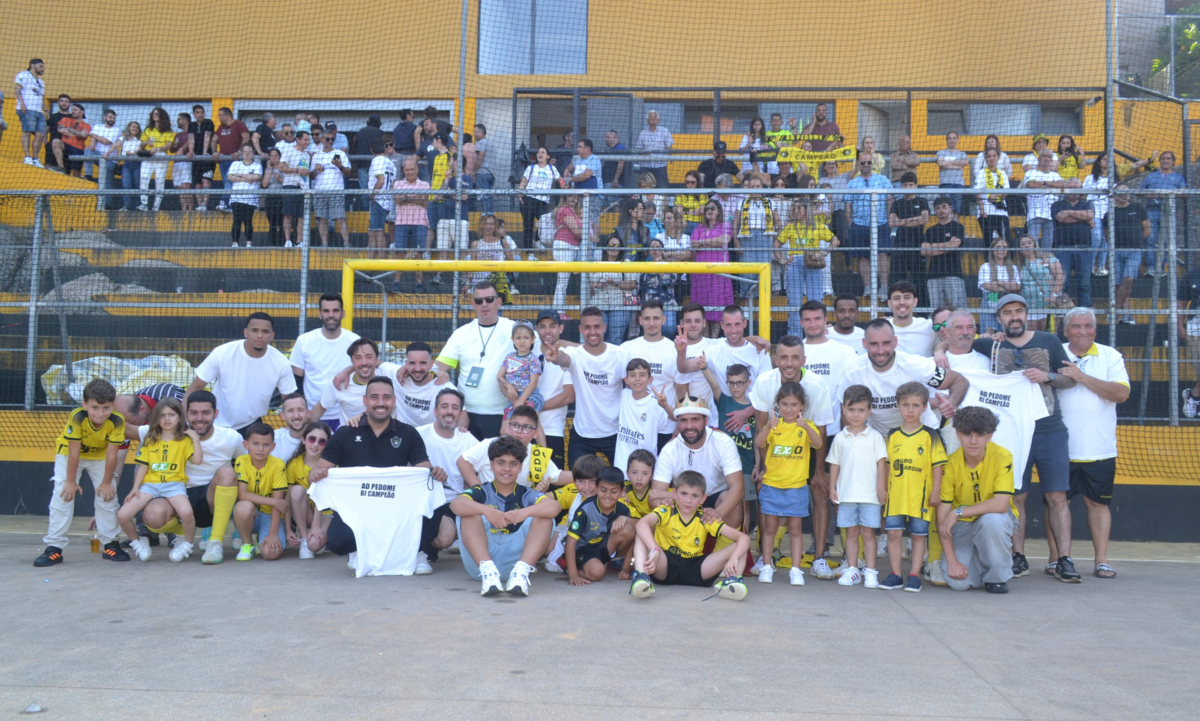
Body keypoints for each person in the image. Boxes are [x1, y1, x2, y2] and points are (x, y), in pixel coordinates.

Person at [953, 294, 1079, 582]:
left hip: (1049, 428)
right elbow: (953, 341)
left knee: (1058, 496)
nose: (1014, 316)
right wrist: (938, 351)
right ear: (999, 318)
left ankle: (1064, 559)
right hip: (1010, 432)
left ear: (1026, 314)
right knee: (1016, 495)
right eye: (1008, 312)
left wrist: (1047, 376)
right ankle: (1017, 555)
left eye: (1019, 311)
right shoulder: (990, 345)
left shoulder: (1048, 340)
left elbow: (1071, 378)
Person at [306, 377, 433, 566]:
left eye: (386, 397)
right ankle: (358, 549)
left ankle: (418, 551)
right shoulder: (346, 432)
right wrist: (316, 474)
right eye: (374, 397)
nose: (381, 403)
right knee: (339, 541)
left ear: (394, 401)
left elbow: (425, 472)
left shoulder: (408, 433)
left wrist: (435, 473)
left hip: (395, 507)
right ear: (365, 401)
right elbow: (316, 473)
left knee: (435, 498)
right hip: (355, 510)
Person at [1057, 308, 1130, 579]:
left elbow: (1121, 393)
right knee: (1056, 504)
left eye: (1088, 325)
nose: (1083, 331)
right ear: (1066, 331)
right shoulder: (1054, 352)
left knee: (1098, 505)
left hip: (1099, 448)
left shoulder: (1111, 356)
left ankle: (1101, 561)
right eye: (1076, 326)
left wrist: (1082, 377)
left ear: (1095, 330)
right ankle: (1056, 560)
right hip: (1058, 447)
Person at [34, 379, 128, 567]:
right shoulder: (77, 417)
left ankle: (110, 544)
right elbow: (74, 453)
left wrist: (106, 482)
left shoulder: (117, 420)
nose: (100, 413)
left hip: (100, 457)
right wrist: (70, 482)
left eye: (106, 408)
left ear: (113, 405)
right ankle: (54, 547)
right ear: (84, 404)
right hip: (69, 455)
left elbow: (112, 454)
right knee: (63, 495)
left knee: (108, 496)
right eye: (95, 408)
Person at [450, 436, 558, 596]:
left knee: (544, 515)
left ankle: (521, 573)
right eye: (501, 463)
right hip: (479, 568)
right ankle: (489, 572)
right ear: (491, 465)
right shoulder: (481, 491)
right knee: (468, 511)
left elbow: (554, 507)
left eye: (513, 464)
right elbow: (456, 505)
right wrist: (487, 511)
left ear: (520, 467)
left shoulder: (526, 493)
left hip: (515, 565)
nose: (507, 469)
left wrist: (524, 512)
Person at [628, 470, 750, 600]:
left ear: (703, 499)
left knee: (740, 547)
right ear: (674, 493)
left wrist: (734, 557)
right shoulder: (667, 510)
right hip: (666, 565)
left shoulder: (705, 517)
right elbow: (641, 524)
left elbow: (744, 538)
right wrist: (655, 549)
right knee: (641, 534)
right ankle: (641, 576)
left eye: (695, 496)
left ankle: (732, 582)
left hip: (696, 567)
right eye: (683, 494)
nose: (688, 500)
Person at [436, 280, 535, 440]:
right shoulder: (461, 333)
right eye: (479, 301)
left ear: (499, 302)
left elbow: (545, 347)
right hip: (466, 416)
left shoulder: (515, 330)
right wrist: (434, 373)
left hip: (503, 414)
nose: (484, 304)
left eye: (489, 299)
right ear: (473, 304)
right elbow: (438, 368)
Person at [936, 406, 1018, 594]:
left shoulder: (1003, 456)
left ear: (989, 436)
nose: (973, 441)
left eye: (980, 435)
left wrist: (958, 512)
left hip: (994, 518)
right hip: (962, 524)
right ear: (958, 435)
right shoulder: (950, 463)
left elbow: (1000, 504)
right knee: (959, 583)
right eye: (967, 434)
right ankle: (981, 561)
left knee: (991, 522)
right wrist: (952, 561)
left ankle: (996, 577)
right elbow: (942, 518)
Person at [880, 382, 947, 592]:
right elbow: (887, 464)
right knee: (893, 534)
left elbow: (938, 466)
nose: (910, 410)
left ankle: (914, 575)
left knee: (918, 536)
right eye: (906, 405)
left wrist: (935, 491)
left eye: (916, 405)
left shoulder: (930, 435)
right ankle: (895, 575)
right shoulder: (892, 435)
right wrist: (883, 488)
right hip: (896, 496)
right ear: (898, 406)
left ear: (925, 407)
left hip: (921, 497)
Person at [754, 382, 822, 586]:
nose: (789, 409)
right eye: (784, 404)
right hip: (772, 485)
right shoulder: (774, 425)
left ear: (802, 406)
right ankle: (767, 566)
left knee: (795, 529)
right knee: (770, 528)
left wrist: (806, 427)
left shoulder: (807, 425)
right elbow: (759, 443)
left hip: (796, 487)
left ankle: (796, 570)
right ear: (778, 405)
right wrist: (768, 427)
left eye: (794, 405)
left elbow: (818, 444)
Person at [117, 398, 202, 563]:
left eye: (171, 415)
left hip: (174, 485)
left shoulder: (185, 441)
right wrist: (135, 488)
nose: (167, 419)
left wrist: (196, 440)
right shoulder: (150, 439)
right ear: (156, 418)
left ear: (180, 418)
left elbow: (197, 461)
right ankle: (138, 542)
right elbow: (143, 466)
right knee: (123, 515)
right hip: (150, 485)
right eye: (162, 415)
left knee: (186, 513)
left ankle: (188, 543)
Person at [543, 307, 628, 465]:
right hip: (582, 434)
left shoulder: (620, 354)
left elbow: (633, 385)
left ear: (604, 327)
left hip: (615, 432)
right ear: (580, 329)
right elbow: (564, 359)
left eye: (596, 327)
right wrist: (557, 358)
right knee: (577, 478)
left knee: (621, 478)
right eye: (587, 327)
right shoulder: (574, 353)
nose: (592, 332)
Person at [187, 312, 298, 433]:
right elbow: (195, 388)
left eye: (265, 331)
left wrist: (294, 427)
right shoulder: (222, 353)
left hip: (251, 425)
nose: (260, 335)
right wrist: (183, 422)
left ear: (272, 335)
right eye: (254, 330)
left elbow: (290, 399)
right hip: (216, 424)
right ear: (246, 332)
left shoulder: (281, 362)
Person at [651, 396, 745, 534]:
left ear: (706, 420)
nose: (689, 426)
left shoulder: (723, 442)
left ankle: (727, 546)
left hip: (715, 498)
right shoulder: (669, 449)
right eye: (683, 420)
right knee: (661, 507)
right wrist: (662, 504)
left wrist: (718, 512)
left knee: (731, 501)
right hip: (682, 499)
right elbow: (655, 494)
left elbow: (738, 487)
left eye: (695, 419)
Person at [828, 384, 888, 588]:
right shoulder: (839, 438)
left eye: (861, 410)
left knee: (869, 534)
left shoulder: (875, 437)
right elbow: (834, 464)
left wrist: (881, 488)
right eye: (851, 409)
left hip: (870, 496)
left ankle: (870, 571)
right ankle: (852, 570)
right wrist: (832, 487)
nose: (855, 415)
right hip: (846, 495)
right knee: (851, 533)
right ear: (843, 409)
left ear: (869, 410)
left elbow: (882, 463)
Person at [415, 388, 477, 560]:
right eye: (444, 406)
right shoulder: (418, 434)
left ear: (461, 413)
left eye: (455, 407)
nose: (449, 412)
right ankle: (420, 550)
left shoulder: (469, 440)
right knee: (444, 535)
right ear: (435, 411)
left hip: (454, 502)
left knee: (445, 538)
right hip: (425, 500)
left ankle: (427, 545)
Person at [289, 293, 360, 430]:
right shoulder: (304, 341)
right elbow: (296, 380)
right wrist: (303, 414)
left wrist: (348, 370)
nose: (331, 315)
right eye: (326, 311)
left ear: (343, 314)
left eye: (335, 310)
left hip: (346, 415)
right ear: (319, 314)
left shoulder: (355, 341)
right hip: (313, 416)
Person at [700, 361, 758, 516]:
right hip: (724, 464)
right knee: (727, 501)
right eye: (731, 383)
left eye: (739, 383)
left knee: (744, 505)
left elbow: (757, 439)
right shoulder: (724, 401)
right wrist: (704, 367)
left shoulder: (754, 408)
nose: (735, 387)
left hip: (746, 464)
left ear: (748, 383)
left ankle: (744, 530)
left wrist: (757, 465)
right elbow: (714, 384)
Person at [225, 423, 288, 561]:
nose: (260, 449)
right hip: (251, 515)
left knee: (270, 554)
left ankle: (265, 537)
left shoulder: (278, 465)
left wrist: (273, 534)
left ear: (273, 447)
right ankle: (248, 545)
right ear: (246, 444)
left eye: (266, 445)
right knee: (243, 506)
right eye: (255, 444)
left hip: (271, 516)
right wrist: (274, 501)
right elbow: (242, 494)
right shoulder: (241, 461)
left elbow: (277, 507)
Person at [565, 467, 636, 586]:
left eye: (614, 491)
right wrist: (573, 575)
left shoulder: (623, 509)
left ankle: (615, 564)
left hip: (603, 547)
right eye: (603, 490)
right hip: (583, 549)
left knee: (629, 529)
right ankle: (568, 567)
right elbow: (570, 542)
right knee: (597, 573)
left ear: (622, 491)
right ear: (597, 488)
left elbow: (640, 526)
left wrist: (625, 569)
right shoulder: (585, 509)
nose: (608, 495)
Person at [799, 300, 859, 433]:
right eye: (807, 320)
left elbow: (853, 396)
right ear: (801, 322)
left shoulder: (845, 352)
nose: (813, 324)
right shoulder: (794, 353)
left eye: (817, 319)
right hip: (798, 433)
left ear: (825, 320)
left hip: (833, 431)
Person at [623, 300, 681, 429]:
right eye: (647, 318)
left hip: (665, 427)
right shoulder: (627, 349)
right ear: (640, 320)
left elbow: (682, 393)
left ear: (663, 320)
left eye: (656, 318)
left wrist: (678, 427)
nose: (651, 323)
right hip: (635, 425)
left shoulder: (675, 350)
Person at [845, 153, 893, 295]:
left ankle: (884, 287)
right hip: (859, 225)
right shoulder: (852, 183)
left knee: (882, 255)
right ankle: (868, 288)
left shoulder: (883, 180)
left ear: (873, 164)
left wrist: (890, 219)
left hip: (881, 223)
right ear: (858, 165)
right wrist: (851, 224)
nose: (866, 165)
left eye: (869, 162)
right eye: (863, 163)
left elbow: (890, 199)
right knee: (863, 256)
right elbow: (848, 205)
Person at [614, 358, 675, 470]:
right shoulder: (623, 394)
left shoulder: (655, 402)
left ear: (650, 379)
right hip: (621, 463)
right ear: (626, 380)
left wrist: (665, 405)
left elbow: (674, 417)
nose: (637, 379)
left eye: (642, 375)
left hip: (645, 465)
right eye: (632, 375)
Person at [285, 421, 334, 559]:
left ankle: (316, 539)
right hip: (304, 512)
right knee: (296, 490)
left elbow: (322, 496)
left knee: (315, 545)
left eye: (322, 441)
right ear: (303, 440)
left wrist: (316, 526)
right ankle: (304, 539)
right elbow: (287, 499)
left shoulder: (330, 465)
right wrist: (288, 529)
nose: (316, 444)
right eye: (312, 439)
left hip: (325, 514)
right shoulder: (294, 464)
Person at [689, 200, 736, 335]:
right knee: (702, 308)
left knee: (717, 307)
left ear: (719, 211)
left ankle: (714, 340)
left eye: (713, 209)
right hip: (701, 274)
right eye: (707, 209)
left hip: (719, 273)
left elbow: (724, 240)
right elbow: (692, 244)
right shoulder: (699, 227)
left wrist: (702, 242)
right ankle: (705, 340)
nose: (709, 211)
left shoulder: (725, 226)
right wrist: (709, 242)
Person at [310, 338, 381, 426]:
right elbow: (318, 410)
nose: (364, 362)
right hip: (349, 434)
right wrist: (325, 432)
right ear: (352, 361)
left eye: (369, 356)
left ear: (376, 359)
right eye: (358, 358)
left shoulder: (388, 377)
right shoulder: (339, 383)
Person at [1139, 150, 1186, 277]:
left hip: (1169, 212)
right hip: (1151, 211)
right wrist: (1153, 195)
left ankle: (1160, 269)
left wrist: (1170, 195)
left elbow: (1184, 193)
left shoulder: (1178, 177)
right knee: (1150, 239)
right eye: (1163, 158)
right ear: (1160, 161)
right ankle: (1150, 268)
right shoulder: (1151, 176)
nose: (1165, 160)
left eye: (1168, 158)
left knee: (1166, 241)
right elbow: (1139, 192)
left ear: (1173, 162)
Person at [920, 196, 968, 311]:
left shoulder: (958, 227)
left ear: (950, 208)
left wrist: (933, 246)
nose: (941, 210)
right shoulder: (930, 230)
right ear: (935, 210)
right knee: (936, 312)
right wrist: (947, 245)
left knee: (958, 310)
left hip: (953, 274)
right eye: (938, 208)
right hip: (933, 275)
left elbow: (954, 245)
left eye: (944, 207)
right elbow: (924, 251)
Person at [1050, 190, 1095, 310]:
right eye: (1070, 188)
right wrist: (1083, 218)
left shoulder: (1087, 203)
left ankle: (1086, 312)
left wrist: (1068, 212)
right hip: (1062, 248)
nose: (1073, 192)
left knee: (1084, 284)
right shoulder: (1057, 205)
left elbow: (1090, 218)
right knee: (1062, 283)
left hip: (1084, 248)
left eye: (1076, 188)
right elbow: (1060, 218)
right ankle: (1061, 313)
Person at [592, 234, 639, 344]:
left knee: (615, 340)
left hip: (619, 305)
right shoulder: (596, 263)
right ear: (606, 247)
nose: (614, 248)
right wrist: (598, 284)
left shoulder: (626, 263)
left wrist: (617, 284)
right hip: (598, 305)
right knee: (597, 339)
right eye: (611, 245)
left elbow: (633, 284)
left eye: (617, 246)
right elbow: (589, 284)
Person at [310, 129, 351, 247]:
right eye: (327, 139)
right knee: (321, 219)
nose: (330, 141)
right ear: (321, 139)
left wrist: (340, 166)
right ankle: (324, 244)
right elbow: (311, 176)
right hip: (320, 191)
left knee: (340, 218)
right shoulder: (316, 155)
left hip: (336, 191)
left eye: (332, 139)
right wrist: (316, 170)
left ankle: (346, 243)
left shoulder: (340, 153)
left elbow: (348, 172)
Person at [1015, 234, 1065, 331]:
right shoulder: (1018, 265)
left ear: (1035, 245)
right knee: (1032, 336)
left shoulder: (1047, 258)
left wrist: (1055, 294)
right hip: (1029, 307)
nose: (1027, 245)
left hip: (1049, 304)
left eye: (1029, 243)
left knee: (1049, 334)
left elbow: (1060, 276)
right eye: (1023, 244)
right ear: (1020, 249)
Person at [888, 172, 928, 288]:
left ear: (916, 185)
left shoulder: (922, 201)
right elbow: (892, 223)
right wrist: (915, 219)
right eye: (905, 185)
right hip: (900, 243)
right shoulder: (897, 203)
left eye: (911, 185)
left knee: (919, 279)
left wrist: (901, 221)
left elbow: (924, 220)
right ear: (901, 186)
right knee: (897, 279)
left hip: (917, 242)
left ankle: (921, 300)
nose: (908, 187)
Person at [1022, 149, 1067, 250]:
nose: (1046, 159)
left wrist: (1045, 183)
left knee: (1047, 246)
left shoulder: (1055, 174)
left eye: (1049, 157)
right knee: (1031, 245)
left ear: (1051, 160)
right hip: (1034, 214)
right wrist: (1052, 185)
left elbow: (1062, 184)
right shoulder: (1031, 172)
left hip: (1051, 215)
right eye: (1044, 156)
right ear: (1039, 158)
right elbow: (1031, 184)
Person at [498, 321, 543, 420]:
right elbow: (499, 376)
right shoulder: (509, 357)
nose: (522, 341)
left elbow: (534, 382)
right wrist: (509, 386)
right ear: (512, 339)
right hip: (513, 397)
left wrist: (521, 400)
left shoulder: (533, 359)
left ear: (533, 339)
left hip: (530, 396)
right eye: (518, 338)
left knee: (527, 421)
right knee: (507, 425)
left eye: (526, 338)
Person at [518, 147, 560, 249]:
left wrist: (566, 186)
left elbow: (560, 180)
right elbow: (523, 182)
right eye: (538, 152)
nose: (540, 154)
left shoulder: (552, 169)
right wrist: (520, 193)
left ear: (548, 156)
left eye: (543, 152)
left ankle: (537, 240)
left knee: (545, 221)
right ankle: (529, 252)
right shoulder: (531, 168)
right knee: (528, 226)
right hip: (529, 199)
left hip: (543, 201)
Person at [978, 237, 1021, 334]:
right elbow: (986, 285)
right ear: (993, 250)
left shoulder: (1013, 268)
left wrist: (997, 282)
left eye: (1004, 247)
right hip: (989, 300)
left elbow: (1017, 286)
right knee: (989, 331)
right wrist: (1007, 286)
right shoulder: (985, 266)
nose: (1002, 249)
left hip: (1007, 301)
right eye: (998, 247)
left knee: (1007, 331)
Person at [640, 238, 685, 329]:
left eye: (658, 247)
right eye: (652, 247)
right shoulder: (644, 267)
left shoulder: (670, 266)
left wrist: (660, 265)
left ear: (663, 250)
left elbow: (669, 281)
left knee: (669, 329)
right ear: (649, 251)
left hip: (668, 304)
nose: (655, 250)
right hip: (650, 305)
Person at [278, 130, 312, 246]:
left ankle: (299, 241)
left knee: (302, 216)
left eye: (308, 140)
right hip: (290, 185)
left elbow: (306, 171)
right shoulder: (289, 150)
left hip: (304, 188)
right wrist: (297, 170)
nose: (308, 142)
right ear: (298, 139)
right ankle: (287, 240)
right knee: (288, 214)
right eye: (305, 139)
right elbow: (281, 167)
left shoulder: (307, 154)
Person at [886, 281, 936, 357]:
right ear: (889, 303)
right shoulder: (881, 328)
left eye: (907, 298)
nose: (902, 302)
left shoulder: (929, 326)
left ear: (915, 302)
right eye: (896, 298)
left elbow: (947, 340)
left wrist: (939, 350)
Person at [226, 144, 262, 248]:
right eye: (245, 151)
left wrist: (239, 174)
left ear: (253, 152)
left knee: (248, 221)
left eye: (249, 151)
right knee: (236, 221)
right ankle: (235, 242)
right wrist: (247, 178)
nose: (247, 153)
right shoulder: (235, 164)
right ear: (241, 153)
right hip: (236, 197)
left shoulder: (257, 165)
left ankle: (248, 243)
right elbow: (230, 177)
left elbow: (256, 177)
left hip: (250, 198)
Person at [974, 147, 1010, 247]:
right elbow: (978, 192)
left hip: (1001, 212)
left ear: (998, 157)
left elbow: (1007, 191)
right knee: (989, 242)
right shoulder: (981, 173)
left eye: (994, 156)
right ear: (985, 158)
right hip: (987, 212)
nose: (992, 158)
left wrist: (997, 195)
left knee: (1006, 240)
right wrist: (982, 210)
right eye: (989, 156)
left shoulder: (1002, 173)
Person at [15, 59, 47, 167]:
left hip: (39, 111)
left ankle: (35, 159)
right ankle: (27, 157)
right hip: (27, 109)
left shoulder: (41, 82)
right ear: (33, 65)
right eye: (40, 66)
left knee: (40, 134)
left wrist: (46, 110)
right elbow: (17, 90)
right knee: (27, 131)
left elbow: (42, 97)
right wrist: (22, 103)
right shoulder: (23, 75)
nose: (43, 69)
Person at [1178, 264, 1200, 418]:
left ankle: (1194, 395)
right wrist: (1180, 326)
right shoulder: (1191, 275)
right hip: (1195, 329)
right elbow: (1181, 302)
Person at [635, 110, 674, 189]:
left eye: (655, 117)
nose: (653, 118)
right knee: (644, 187)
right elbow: (638, 149)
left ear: (658, 119)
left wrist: (670, 155)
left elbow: (669, 147)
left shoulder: (664, 131)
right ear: (647, 120)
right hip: (646, 166)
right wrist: (645, 153)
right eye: (651, 117)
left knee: (662, 187)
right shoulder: (643, 133)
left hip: (660, 166)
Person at [50, 103, 90, 177]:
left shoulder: (86, 125)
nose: (73, 111)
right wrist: (77, 133)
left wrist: (69, 129)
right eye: (72, 110)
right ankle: (60, 167)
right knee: (56, 141)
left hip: (78, 149)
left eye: (75, 110)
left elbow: (83, 135)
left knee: (76, 173)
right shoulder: (65, 119)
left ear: (82, 112)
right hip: (65, 145)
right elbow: (60, 129)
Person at [936, 131, 969, 215]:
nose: (952, 140)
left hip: (958, 184)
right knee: (945, 210)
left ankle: (955, 224)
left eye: (954, 138)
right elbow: (941, 163)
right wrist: (957, 166)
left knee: (956, 211)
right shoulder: (941, 152)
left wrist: (947, 163)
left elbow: (965, 162)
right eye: (950, 138)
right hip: (945, 184)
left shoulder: (962, 153)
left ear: (957, 139)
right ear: (946, 140)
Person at [271, 392, 308, 463]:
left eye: (300, 410)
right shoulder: (273, 438)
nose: (296, 416)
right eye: (290, 411)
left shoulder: (320, 437)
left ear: (308, 413)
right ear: (283, 415)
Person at [261, 148, 287, 246]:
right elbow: (264, 184)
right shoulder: (268, 169)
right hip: (271, 198)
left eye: (276, 156)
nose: (273, 158)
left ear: (279, 157)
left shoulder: (284, 167)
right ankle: (272, 244)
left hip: (282, 197)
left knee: (281, 223)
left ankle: (282, 244)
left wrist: (279, 178)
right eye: (271, 156)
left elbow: (288, 182)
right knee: (272, 223)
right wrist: (270, 169)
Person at [117, 121, 143, 212]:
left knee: (137, 186)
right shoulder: (123, 138)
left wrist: (132, 154)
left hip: (138, 163)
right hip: (126, 164)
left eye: (137, 127)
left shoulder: (141, 140)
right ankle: (126, 206)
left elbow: (140, 150)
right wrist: (108, 152)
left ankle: (136, 206)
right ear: (129, 127)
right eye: (133, 126)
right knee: (126, 185)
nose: (135, 128)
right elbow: (115, 145)